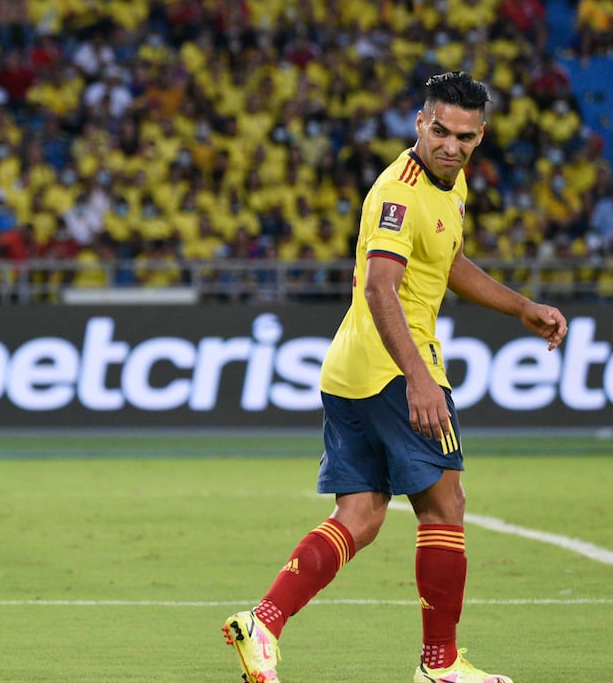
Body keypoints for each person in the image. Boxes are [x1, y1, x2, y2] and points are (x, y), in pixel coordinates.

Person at [220, 72, 568, 683]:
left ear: (480, 136)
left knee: (361, 512)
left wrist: (520, 306)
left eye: (464, 136)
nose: (451, 146)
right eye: (440, 131)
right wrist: (418, 379)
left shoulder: (450, 186)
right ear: (419, 124)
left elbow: (449, 260)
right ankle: (441, 665)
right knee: (444, 506)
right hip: (393, 366)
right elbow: (382, 288)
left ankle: (264, 623)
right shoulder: (399, 193)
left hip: (350, 367)